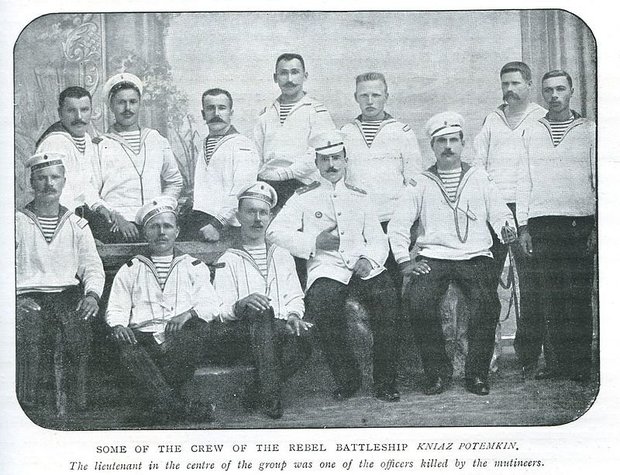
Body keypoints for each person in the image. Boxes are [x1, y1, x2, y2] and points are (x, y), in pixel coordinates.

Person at [388, 112, 517, 396]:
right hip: (434, 256)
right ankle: (437, 373)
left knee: (487, 304)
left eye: (453, 140)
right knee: (418, 302)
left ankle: (477, 374)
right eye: (441, 141)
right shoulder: (420, 182)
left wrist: (506, 228)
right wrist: (404, 261)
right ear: (432, 146)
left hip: (475, 256)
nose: (448, 146)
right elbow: (398, 225)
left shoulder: (479, 177)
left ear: (462, 143)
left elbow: (500, 212)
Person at [267, 131, 401, 402]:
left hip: (363, 265)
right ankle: (348, 379)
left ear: (345, 160)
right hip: (326, 267)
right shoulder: (303, 197)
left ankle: (385, 381)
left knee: (387, 300)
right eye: (325, 159)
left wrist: (369, 260)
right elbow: (274, 232)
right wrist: (313, 242)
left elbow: (377, 238)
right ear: (316, 163)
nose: (331, 165)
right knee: (323, 305)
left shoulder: (360, 196)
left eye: (336, 158)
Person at [105, 196, 220, 423]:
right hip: (144, 338)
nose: (161, 232)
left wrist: (188, 314)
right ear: (145, 233)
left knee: (197, 329)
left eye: (167, 226)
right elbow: (117, 307)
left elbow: (210, 305)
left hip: (180, 338)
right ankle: (178, 408)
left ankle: (160, 408)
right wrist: (118, 325)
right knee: (126, 347)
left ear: (177, 231)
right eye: (154, 227)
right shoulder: (131, 268)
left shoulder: (193, 265)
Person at [516, 70, 596, 383]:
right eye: (548, 90)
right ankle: (555, 364)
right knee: (549, 298)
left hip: (578, 222)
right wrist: (523, 226)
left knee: (577, 296)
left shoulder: (589, 129)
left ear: (571, 91)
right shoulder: (532, 131)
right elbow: (524, 180)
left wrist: (596, 226)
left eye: (560, 89)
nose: (554, 95)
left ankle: (580, 365)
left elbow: (600, 179)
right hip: (542, 223)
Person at [213, 182, 313, 419]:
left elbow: (295, 296)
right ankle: (271, 399)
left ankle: (256, 392)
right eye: (250, 212)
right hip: (242, 334)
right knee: (260, 311)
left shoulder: (282, 254)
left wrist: (294, 316)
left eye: (263, 213)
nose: (257, 219)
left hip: (276, 331)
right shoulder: (228, 258)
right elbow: (219, 310)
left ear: (270, 217)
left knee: (305, 337)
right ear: (238, 216)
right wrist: (242, 303)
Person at [16, 152, 105, 414]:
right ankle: (27, 405)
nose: (49, 184)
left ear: (64, 181)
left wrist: (92, 296)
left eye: (55, 177)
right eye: (41, 178)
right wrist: (13, 300)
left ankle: (75, 404)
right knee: (28, 329)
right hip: (27, 296)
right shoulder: (15, 222)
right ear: (31, 183)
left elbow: (92, 266)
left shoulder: (78, 225)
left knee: (78, 327)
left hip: (66, 295)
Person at [473, 62, 547, 372]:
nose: (509, 89)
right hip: (494, 210)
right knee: (485, 282)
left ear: (529, 84)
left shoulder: (541, 118)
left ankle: (528, 355)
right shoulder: (492, 119)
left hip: (527, 210)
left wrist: (526, 216)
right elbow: (478, 165)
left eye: (516, 83)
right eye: (505, 84)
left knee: (530, 285)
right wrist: (487, 202)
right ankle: (486, 355)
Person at [341, 71, 425, 289]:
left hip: (391, 221)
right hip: (358, 223)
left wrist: (409, 224)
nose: (370, 101)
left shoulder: (402, 132)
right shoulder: (345, 133)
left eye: (376, 95)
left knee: (392, 287)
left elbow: (414, 183)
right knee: (360, 284)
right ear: (356, 97)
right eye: (364, 95)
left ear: (386, 96)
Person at [91, 73, 183, 243]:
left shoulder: (156, 139)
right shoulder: (100, 144)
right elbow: (91, 191)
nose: (128, 108)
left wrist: (160, 209)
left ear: (140, 104)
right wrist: (116, 217)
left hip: (154, 224)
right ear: (111, 106)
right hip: (117, 225)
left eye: (133, 102)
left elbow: (174, 182)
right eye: (121, 102)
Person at [254, 53, 336, 208]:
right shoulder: (265, 113)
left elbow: (320, 154)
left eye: (295, 72)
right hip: (268, 184)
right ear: (275, 77)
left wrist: (284, 174)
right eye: (283, 73)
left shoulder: (317, 111)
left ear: (305, 76)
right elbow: (256, 154)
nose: (289, 79)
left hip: (304, 184)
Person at [183, 88, 260, 242]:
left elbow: (242, 191)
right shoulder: (205, 143)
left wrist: (217, 224)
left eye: (222, 108)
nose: (216, 113)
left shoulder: (242, 145)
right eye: (210, 108)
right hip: (202, 222)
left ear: (231, 113)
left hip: (226, 227)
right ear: (203, 114)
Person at [35, 86, 112, 221]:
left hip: (79, 213)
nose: (79, 117)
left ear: (91, 111)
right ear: (60, 113)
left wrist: (98, 206)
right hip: (58, 217)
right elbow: (55, 195)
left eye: (84, 110)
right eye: (71, 110)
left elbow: (85, 185)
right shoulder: (54, 142)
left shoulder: (86, 139)